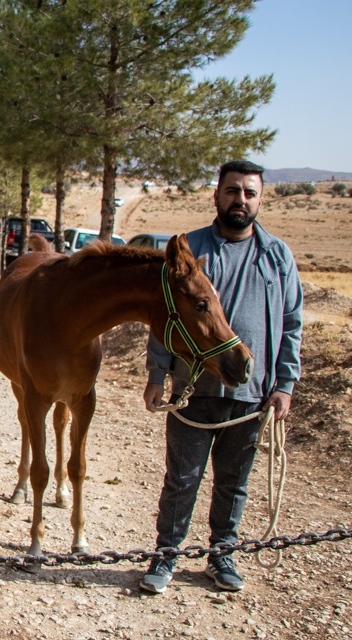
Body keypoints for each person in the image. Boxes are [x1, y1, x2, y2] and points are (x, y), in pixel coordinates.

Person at [140, 160, 303, 595]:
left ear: (261, 199)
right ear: (217, 195)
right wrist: (157, 374)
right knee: (183, 478)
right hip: (194, 388)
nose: (240, 200)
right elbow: (165, 316)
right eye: (232, 191)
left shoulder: (277, 256)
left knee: (234, 481)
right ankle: (166, 555)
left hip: (254, 392)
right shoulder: (190, 249)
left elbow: (291, 324)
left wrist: (284, 384)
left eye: (249, 192)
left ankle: (222, 554)